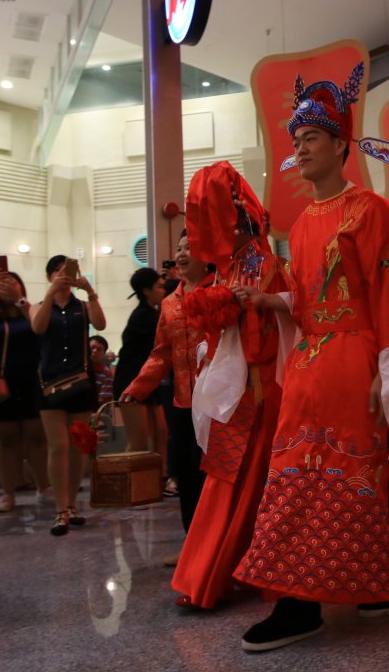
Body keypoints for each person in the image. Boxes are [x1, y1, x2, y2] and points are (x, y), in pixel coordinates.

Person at [231, 67, 389, 651]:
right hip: (310, 364)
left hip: (352, 360)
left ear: (342, 144)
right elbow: (310, 297)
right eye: (296, 140)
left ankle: (302, 604)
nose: (300, 147)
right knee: (317, 477)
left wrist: (386, 375)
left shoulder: (370, 212)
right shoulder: (300, 226)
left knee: (333, 478)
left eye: (312, 137)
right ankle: (385, 584)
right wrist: (272, 300)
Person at [169, 161, 289, 610]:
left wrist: (242, 307)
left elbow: (285, 321)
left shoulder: (265, 267)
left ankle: (220, 574)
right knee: (228, 480)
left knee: (251, 482)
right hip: (239, 390)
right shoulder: (230, 270)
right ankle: (214, 573)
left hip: (261, 389)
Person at [121, 232, 215, 545]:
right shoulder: (169, 303)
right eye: (179, 248)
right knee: (186, 476)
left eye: (191, 247)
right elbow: (161, 353)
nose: (182, 253)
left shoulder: (220, 291)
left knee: (210, 477)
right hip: (182, 402)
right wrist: (138, 387)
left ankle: (216, 549)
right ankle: (193, 547)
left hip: (218, 403)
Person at [31, 255, 105, 536]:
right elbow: (37, 328)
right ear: (50, 275)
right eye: (60, 272)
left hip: (81, 383)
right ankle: (60, 509)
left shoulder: (83, 306)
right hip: (49, 383)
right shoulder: (39, 306)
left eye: (69, 272)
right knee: (58, 446)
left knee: (77, 445)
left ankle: (73, 505)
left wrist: (90, 291)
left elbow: (100, 324)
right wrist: (51, 293)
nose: (65, 277)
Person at [0, 272, 48, 513]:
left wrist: (19, 299)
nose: (7, 287)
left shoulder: (32, 309)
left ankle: (43, 486)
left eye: (12, 283)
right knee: (7, 440)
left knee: (36, 437)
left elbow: (40, 328)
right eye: (3, 284)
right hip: (3, 382)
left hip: (32, 379)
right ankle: (9, 493)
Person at [113, 268, 167, 459]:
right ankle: (124, 485)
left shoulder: (151, 313)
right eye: (159, 287)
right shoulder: (144, 316)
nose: (164, 290)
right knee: (139, 440)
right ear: (146, 290)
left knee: (161, 433)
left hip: (148, 380)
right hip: (132, 381)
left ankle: (160, 481)